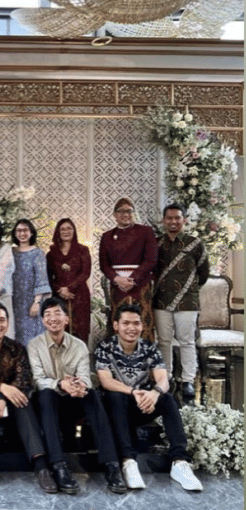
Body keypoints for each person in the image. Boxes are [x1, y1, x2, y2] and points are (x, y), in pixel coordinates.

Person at [94, 304, 203, 491]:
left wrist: (154, 393)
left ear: (142, 326)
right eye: (126, 323)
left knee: (167, 399)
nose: (131, 328)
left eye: (136, 323)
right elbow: (106, 381)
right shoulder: (105, 347)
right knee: (114, 396)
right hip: (116, 409)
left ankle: (180, 462)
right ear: (116, 325)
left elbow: (163, 379)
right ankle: (128, 461)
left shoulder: (149, 348)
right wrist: (133, 392)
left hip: (142, 405)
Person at [27, 297, 126, 495]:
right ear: (43, 321)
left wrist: (79, 386)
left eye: (58, 313)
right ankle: (59, 466)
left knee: (92, 395)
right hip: (48, 404)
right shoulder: (34, 345)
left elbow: (85, 377)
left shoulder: (79, 346)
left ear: (66, 319)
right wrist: (60, 384)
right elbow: (37, 380)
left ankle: (111, 465)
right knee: (46, 395)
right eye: (48, 315)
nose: (53, 318)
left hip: (72, 401)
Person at [0, 302, 56, 494]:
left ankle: (40, 465)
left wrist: (2, 397)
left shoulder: (17, 348)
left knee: (21, 399)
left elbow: (23, 378)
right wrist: (1, 387)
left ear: (7, 323)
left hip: (9, 400)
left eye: (2, 320)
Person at [153, 203, 209, 404]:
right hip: (161, 300)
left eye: (177, 218)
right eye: (169, 218)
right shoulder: (157, 244)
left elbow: (204, 273)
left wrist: (188, 290)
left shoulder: (195, 244)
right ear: (163, 220)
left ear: (184, 219)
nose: (173, 222)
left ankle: (187, 381)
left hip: (187, 302)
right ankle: (165, 378)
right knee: (164, 341)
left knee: (187, 341)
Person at [99, 197, 158, 340]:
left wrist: (133, 279)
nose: (126, 214)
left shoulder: (146, 232)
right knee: (120, 322)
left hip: (141, 284)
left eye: (129, 211)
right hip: (118, 287)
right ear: (114, 215)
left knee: (142, 322)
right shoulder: (107, 237)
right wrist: (117, 279)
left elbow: (151, 260)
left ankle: (144, 352)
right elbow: (104, 265)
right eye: (121, 211)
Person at [46, 218, 91, 343]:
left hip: (79, 296)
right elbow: (48, 277)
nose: (66, 231)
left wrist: (69, 288)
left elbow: (85, 273)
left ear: (74, 231)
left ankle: (80, 355)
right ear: (58, 232)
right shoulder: (51, 254)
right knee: (60, 328)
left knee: (80, 330)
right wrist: (59, 290)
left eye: (69, 228)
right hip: (59, 297)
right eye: (62, 229)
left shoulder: (83, 250)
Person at [11, 219, 51, 346]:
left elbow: (41, 278)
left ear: (31, 233)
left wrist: (37, 302)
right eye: (19, 230)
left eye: (25, 230)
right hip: (13, 302)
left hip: (30, 302)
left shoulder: (37, 253)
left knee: (32, 337)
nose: (22, 233)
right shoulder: (11, 252)